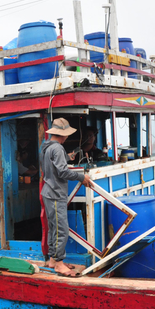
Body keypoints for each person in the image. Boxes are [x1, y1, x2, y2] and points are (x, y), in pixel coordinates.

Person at [40, 118, 94, 277]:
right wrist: (81, 177)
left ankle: (52, 260)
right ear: (62, 135)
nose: (67, 138)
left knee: (53, 227)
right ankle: (58, 264)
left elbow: (54, 166)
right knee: (61, 228)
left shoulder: (46, 146)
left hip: (48, 192)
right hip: (56, 193)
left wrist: (66, 157)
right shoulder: (57, 148)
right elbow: (62, 172)